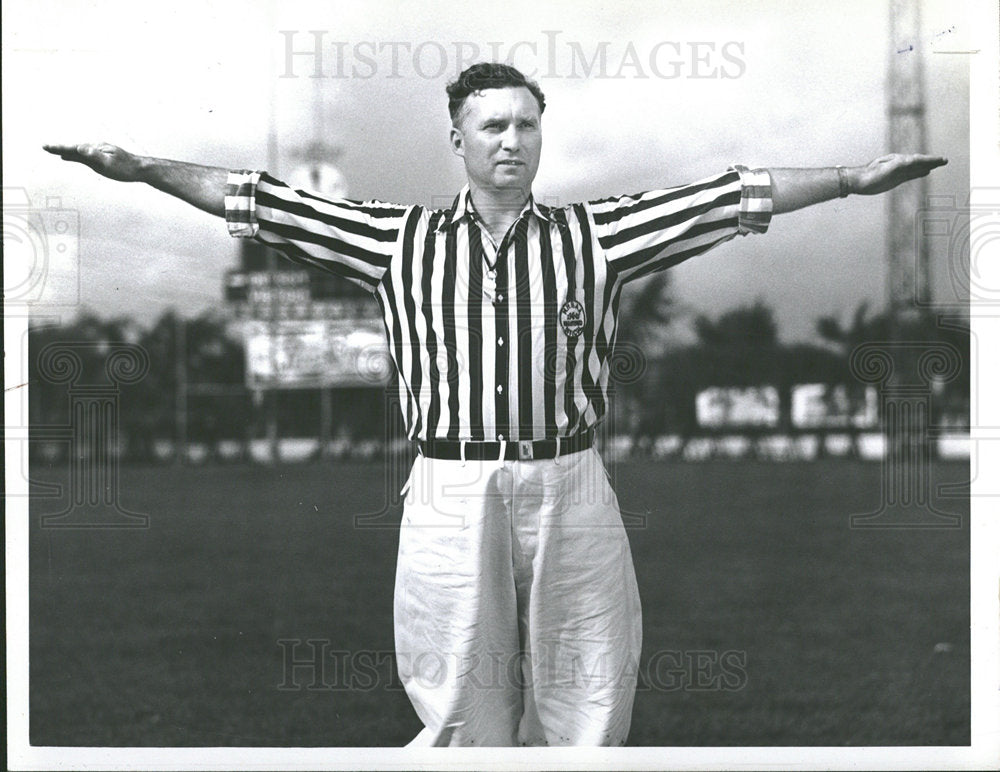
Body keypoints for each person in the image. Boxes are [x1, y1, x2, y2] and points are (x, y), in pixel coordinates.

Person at [44, 62, 947, 747]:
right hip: (450, 486)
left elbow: (727, 194)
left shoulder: (598, 235)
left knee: (591, 698)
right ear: (458, 140)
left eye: (524, 125)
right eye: (491, 127)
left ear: (540, 136)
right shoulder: (398, 240)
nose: (510, 141)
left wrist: (852, 179)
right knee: (459, 711)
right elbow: (261, 202)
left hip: (573, 481)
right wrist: (140, 167)